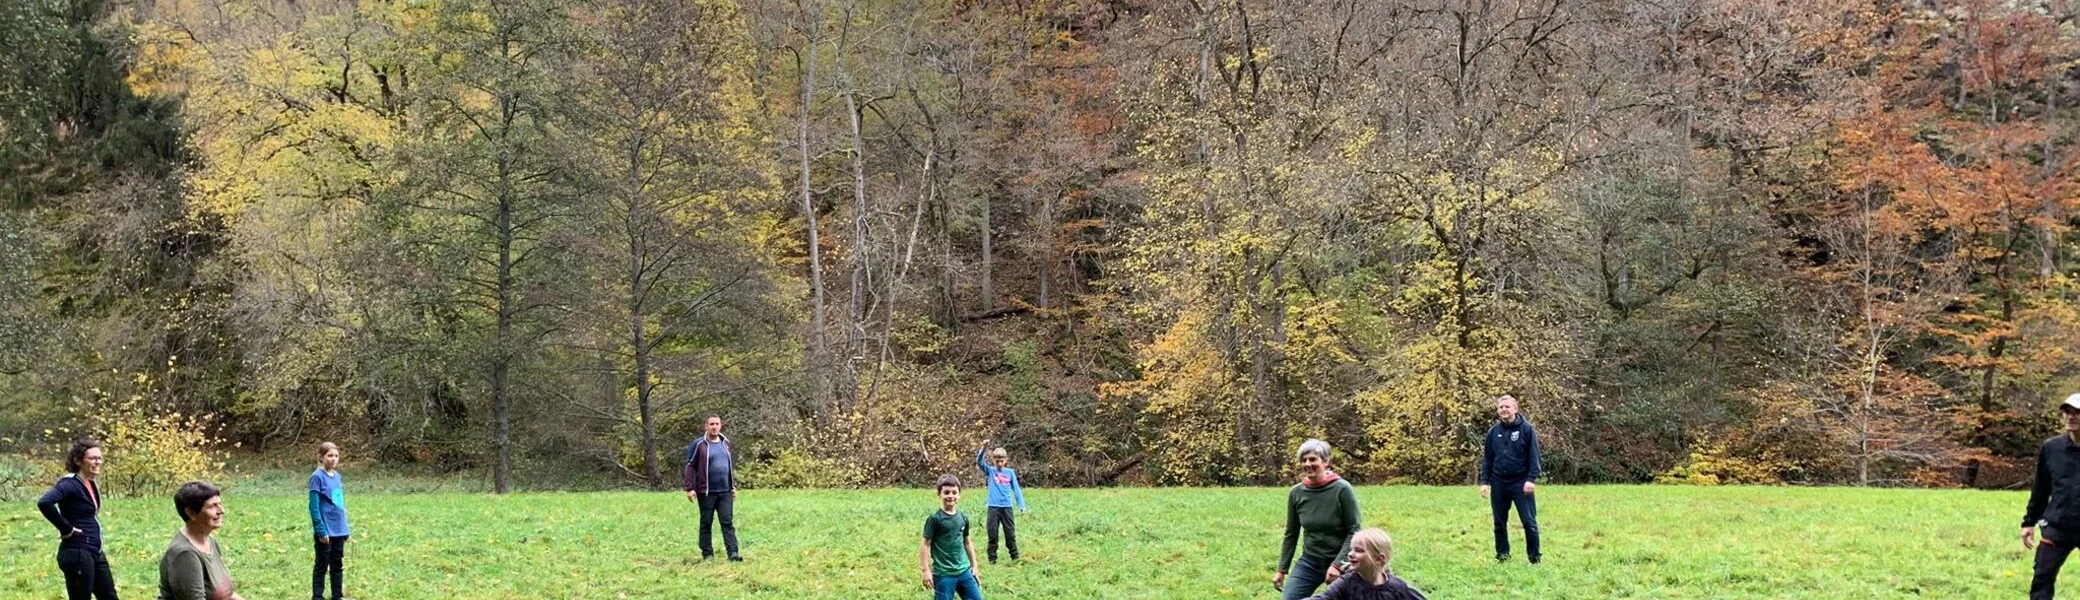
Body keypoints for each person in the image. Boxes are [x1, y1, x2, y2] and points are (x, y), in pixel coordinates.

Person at [1273, 439, 1362, 600]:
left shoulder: (1342, 489)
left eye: (1313, 459)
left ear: (1326, 461)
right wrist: (1282, 569)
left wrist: (1338, 565)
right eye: (1304, 460)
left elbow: (1354, 530)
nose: (1308, 464)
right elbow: (1291, 534)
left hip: (1344, 561)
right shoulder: (1296, 493)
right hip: (1311, 561)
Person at [38, 438, 119, 600]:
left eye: (99, 458)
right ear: (78, 461)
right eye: (92, 458)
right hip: (77, 553)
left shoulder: (89, 483)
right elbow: (44, 502)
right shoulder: (69, 484)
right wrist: (66, 528)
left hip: (95, 551)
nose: (97, 462)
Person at [2023, 393, 2080, 599]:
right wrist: (2028, 522)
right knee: (2042, 578)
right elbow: (2041, 488)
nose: (2071, 417)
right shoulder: (2051, 448)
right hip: (2058, 526)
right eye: (2067, 413)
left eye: (2077, 413)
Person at [1480, 394, 1542, 564]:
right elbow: (1488, 459)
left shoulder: (1527, 430)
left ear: (1515, 408)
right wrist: (1484, 482)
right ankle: (1502, 556)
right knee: (1499, 523)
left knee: (1529, 522)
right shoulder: (1494, 432)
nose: (1504, 410)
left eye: (1507, 407)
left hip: (1521, 482)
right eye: (1501, 407)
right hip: (1499, 482)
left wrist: (1531, 479)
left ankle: (1535, 559)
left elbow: (1534, 456)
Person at [159, 480, 245, 600]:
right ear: (191, 513)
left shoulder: (210, 541)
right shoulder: (185, 554)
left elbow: (228, 595)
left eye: (219, 504)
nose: (221, 511)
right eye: (212, 506)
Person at [1303, 528, 1429, 600]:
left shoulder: (1398, 588)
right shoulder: (1346, 582)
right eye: (1351, 549)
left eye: (1359, 550)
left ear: (1379, 559)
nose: (1351, 554)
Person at [682, 415, 740, 561]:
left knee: (727, 522)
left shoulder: (725, 443)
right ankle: (707, 554)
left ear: (721, 426)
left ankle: (733, 553)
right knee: (706, 522)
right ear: (706, 426)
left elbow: (728, 466)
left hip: (725, 491)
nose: (714, 426)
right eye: (711, 424)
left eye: (717, 424)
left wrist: (732, 486)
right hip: (706, 492)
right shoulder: (699, 444)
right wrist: (690, 488)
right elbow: (690, 465)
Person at [920, 474, 983, 600]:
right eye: (946, 492)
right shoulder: (934, 519)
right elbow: (925, 544)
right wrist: (925, 570)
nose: (951, 496)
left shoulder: (963, 518)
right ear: (939, 494)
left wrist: (974, 566)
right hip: (944, 574)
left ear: (959, 494)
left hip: (964, 571)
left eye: (954, 492)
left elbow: (967, 542)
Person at [309, 442, 351, 600]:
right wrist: (320, 529)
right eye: (330, 456)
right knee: (322, 565)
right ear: (321, 457)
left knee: (337, 565)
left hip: (339, 529)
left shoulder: (338, 477)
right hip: (325, 530)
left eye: (336, 456)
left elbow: (340, 504)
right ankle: (317, 597)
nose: (333, 459)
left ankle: (337, 596)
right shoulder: (316, 477)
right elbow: (314, 506)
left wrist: (345, 528)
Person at [975, 439, 1028, 563]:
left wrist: (1022, 506)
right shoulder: (991, 471)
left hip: (1007, 507)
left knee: (1010, 534)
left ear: (1006, 460)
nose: (999, 463)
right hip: (993, 507)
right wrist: (984, 448)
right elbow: (979, 462)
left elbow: (1017, 490)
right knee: (992, 534)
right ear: (994, 461)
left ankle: (1015, 557)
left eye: (1002, 460)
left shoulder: (1010, 473)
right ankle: (992, 559)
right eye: (997, 461)